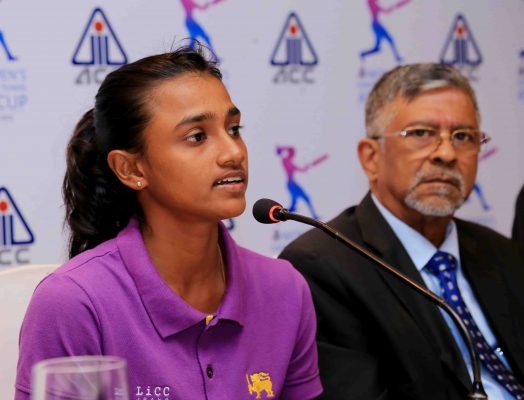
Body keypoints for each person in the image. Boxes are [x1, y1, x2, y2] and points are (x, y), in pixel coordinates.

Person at [15, 45, 322, 400]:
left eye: (234, 128)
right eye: (197, 137)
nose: (234, 152)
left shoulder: (285, 290)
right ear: (131, 169)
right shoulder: (74, 303)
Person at [280, 63, 524, 399]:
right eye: (421, 133)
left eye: (463, 136)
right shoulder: (322, 267)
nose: (446, 154)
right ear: (371, 157)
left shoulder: (504, 254)